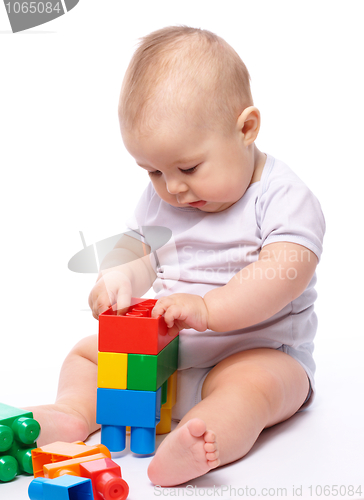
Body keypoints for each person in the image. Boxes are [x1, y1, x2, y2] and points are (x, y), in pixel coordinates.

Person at [27, 26, 325, 487]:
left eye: (188, 167)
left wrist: (209, 310)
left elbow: (282, 274)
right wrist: (119, 278)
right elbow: (139, 248)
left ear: (245, 128)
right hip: (166, 354)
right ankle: (73, 414)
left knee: (251, 390)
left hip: (255, 352)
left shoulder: (282, 196)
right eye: (153, 171)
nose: (173, 188)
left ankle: (200, 441)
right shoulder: (164, 198)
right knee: (86, 356)